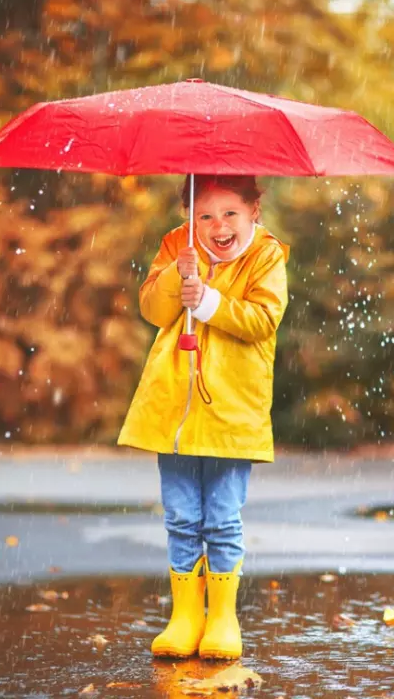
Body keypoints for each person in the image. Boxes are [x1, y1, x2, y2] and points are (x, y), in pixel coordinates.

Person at [118, 174, 290, 660]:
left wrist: (209, 301)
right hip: (174, 405)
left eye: (230, 213)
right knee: (181, 516)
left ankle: (222, 616)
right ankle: (185, 615)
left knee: (221, 518)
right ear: (190, 216)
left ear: (254, 209)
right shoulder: (178, 244)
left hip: (231, 408)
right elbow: (152, 309)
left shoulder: (267, 256)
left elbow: (262, 321)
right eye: (205, 215)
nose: (218, 226)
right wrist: (177, 273)